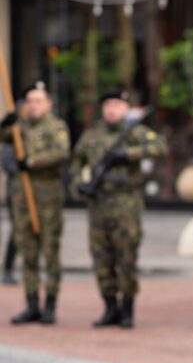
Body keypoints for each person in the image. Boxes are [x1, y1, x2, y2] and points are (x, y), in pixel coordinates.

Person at [70, 90, 167, 329]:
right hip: (98, 204)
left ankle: (127, 309)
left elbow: (160, 147)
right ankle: (109, 307)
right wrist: (78, 184)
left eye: (117, 105)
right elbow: (76, 161)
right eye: (108, 105)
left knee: (126, 258)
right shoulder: (93, 133)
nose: (112, 109)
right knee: (101, 258)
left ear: (125, 108)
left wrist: (127, 153)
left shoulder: (135, 132)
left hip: (125, 204)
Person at [1, 82, 69, 325]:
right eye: (30, 101)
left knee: (50, 253)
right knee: (27, 253)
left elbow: (61, 152)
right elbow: (4, 137)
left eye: (38, 101)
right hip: (23, 197)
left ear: (48, 103)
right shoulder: (20, 127)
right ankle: (31, 304)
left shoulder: (55, 126)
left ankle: (50, 304)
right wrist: (5, 123)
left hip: (47, 198)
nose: (33, 105)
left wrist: (30, 161)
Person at [1, 140, 18, 284]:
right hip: (15, 194)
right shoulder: (11, 139)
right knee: (17, 230)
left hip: (36, 194)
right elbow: (7, 163)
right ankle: (8, 268)